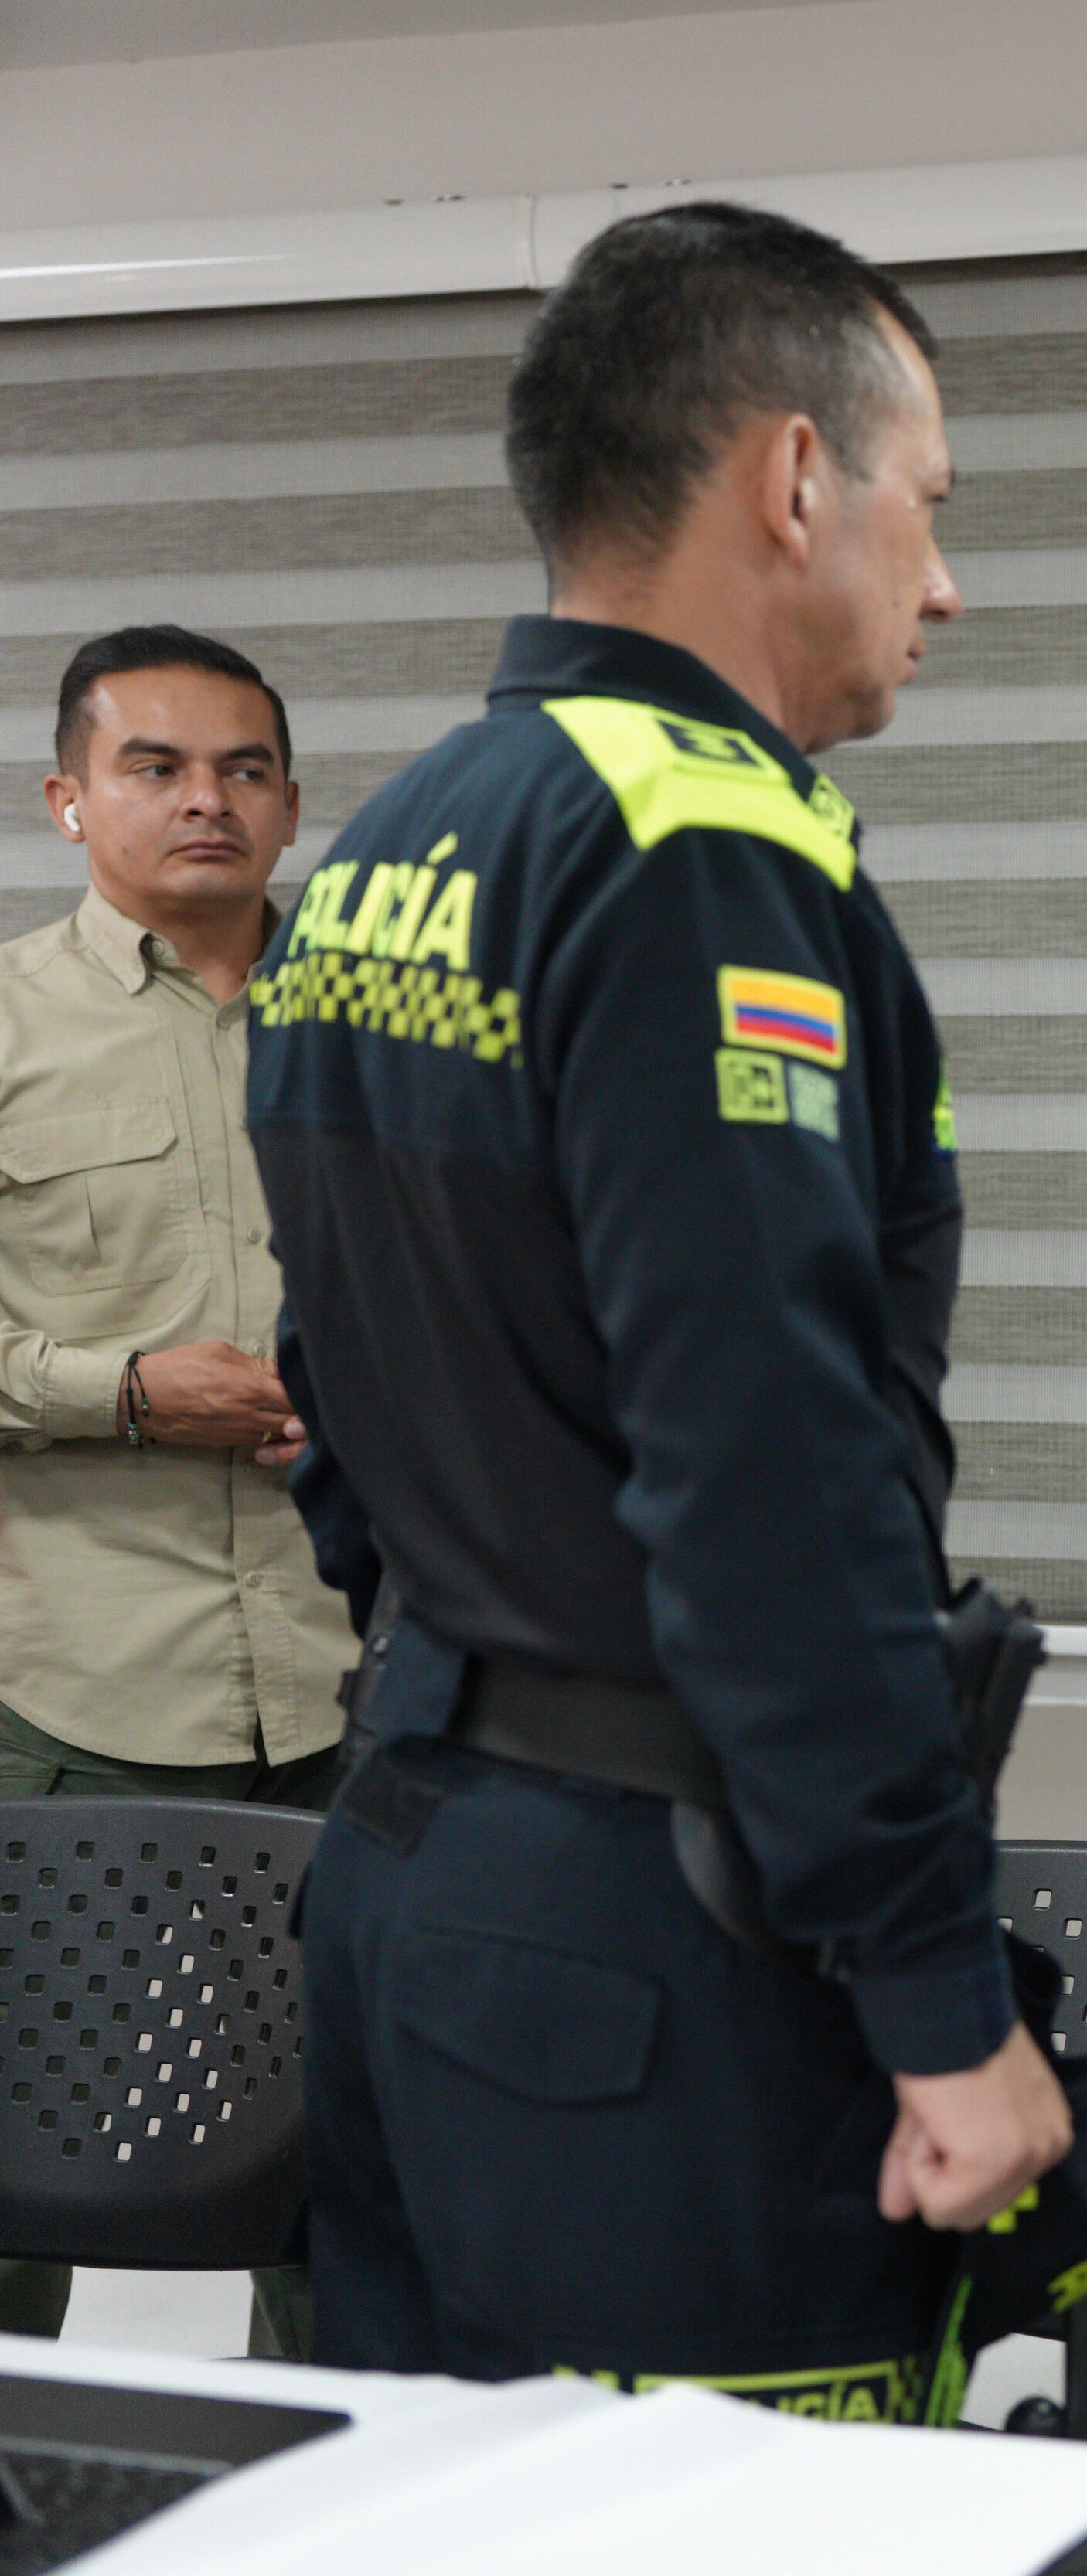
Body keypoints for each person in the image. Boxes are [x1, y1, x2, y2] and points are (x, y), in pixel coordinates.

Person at [247, 201, 1070, 2412]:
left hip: (416, 1863)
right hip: (660, 1933)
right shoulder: (709, 858)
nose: (945, 581)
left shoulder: (395, 846)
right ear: (797, 478)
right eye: (929, 508)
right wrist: (934, 1997)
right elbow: (772, 1473)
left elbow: (330, 1388)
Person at [0, 628, 353, 2357]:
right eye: (156, 765)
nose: (207, 798)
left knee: (353, 2185)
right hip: (61, 1696)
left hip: (352, 1680)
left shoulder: (384, 1033)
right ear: (70, 799)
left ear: (292, 803)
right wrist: (120, 1391)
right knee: (18, 2173)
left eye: (246, 767)